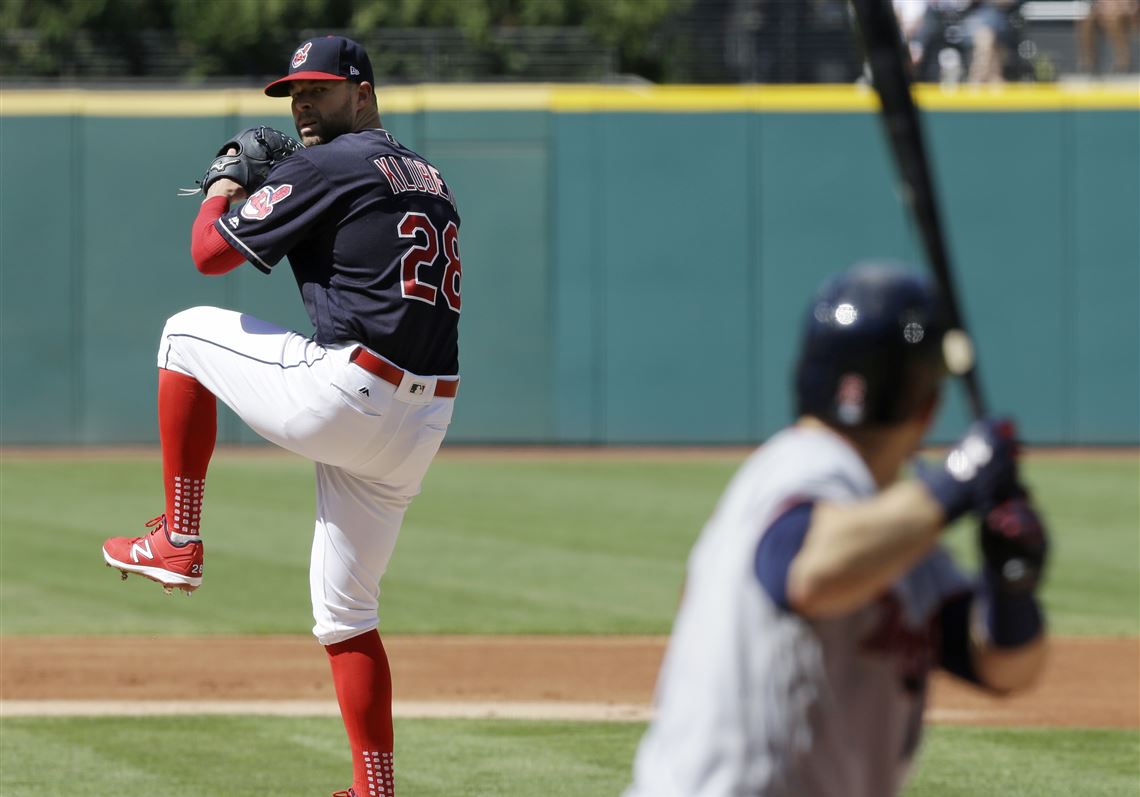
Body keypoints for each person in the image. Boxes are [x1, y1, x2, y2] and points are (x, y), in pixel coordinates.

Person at [101, 35, 462, 797]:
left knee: (182, 332)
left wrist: (222, 184)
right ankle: (376, 788)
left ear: (361, 92)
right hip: (424, 418)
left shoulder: (329, 161)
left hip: (351, 390)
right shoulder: (428, 175)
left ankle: (178, 536)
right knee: (345, 616)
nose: (302, 104)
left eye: (320, 90)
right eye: (294, 92)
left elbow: (208, 252)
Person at [623, 263, 1048, 797]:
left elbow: (1004, 669)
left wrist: (1011, 589)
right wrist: (960, 481)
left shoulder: (890, 527)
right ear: (928, 407)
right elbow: (811, 574)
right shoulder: (799, 467)